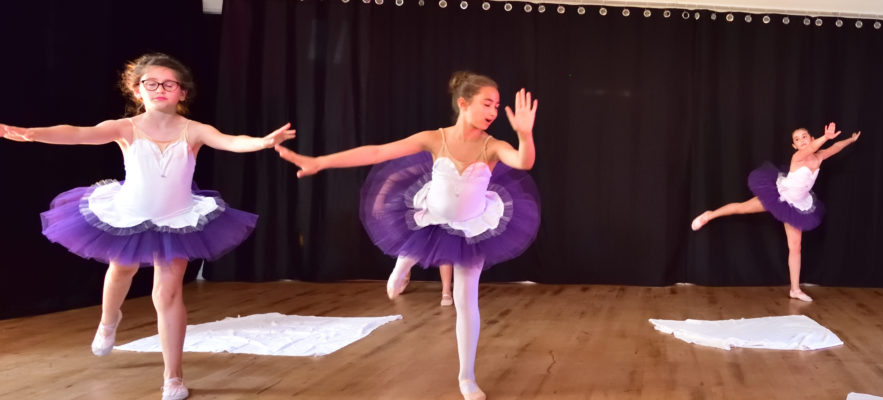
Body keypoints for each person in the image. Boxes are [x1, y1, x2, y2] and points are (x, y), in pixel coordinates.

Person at [0, 52, 295, 400]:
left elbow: (231, 141)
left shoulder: (194, 130)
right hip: (128, 215)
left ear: (182, 92)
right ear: (137, 90)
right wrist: (32, 134)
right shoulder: (126, 127)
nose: (160, 89)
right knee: (121, 269)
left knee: (167, 294)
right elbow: (80, 134)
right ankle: (109, 320)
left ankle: (173, 377)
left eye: (169, 84)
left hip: (176, 220)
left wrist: (262, 142)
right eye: (151, 83)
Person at [275, 71, 539, 400]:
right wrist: (320, 162)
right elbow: (377, 152)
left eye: (497, 106)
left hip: (471, 228)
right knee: (424, 230)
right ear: (463, 103)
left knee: (466, 301)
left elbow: (523, 161)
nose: (493, 111)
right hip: (433, 215)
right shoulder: (435, 139)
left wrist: (525, 135)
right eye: (487, 103)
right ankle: (404, 261)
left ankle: (467, 376)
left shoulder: (493, 146)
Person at [690, 123, 860, 302]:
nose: (801, 140)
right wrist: (825, 137)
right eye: (797, 139)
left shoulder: (820, 156)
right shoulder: (798, 157)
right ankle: (709, 215)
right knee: (742, 208)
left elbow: (836, 147)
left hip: (798, 206)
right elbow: (812, 148)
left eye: (804, 137)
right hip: (781, 197)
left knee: (795, 247)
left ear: (811, 138)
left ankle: (795, 290)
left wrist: (851, 140)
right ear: (794, 146)